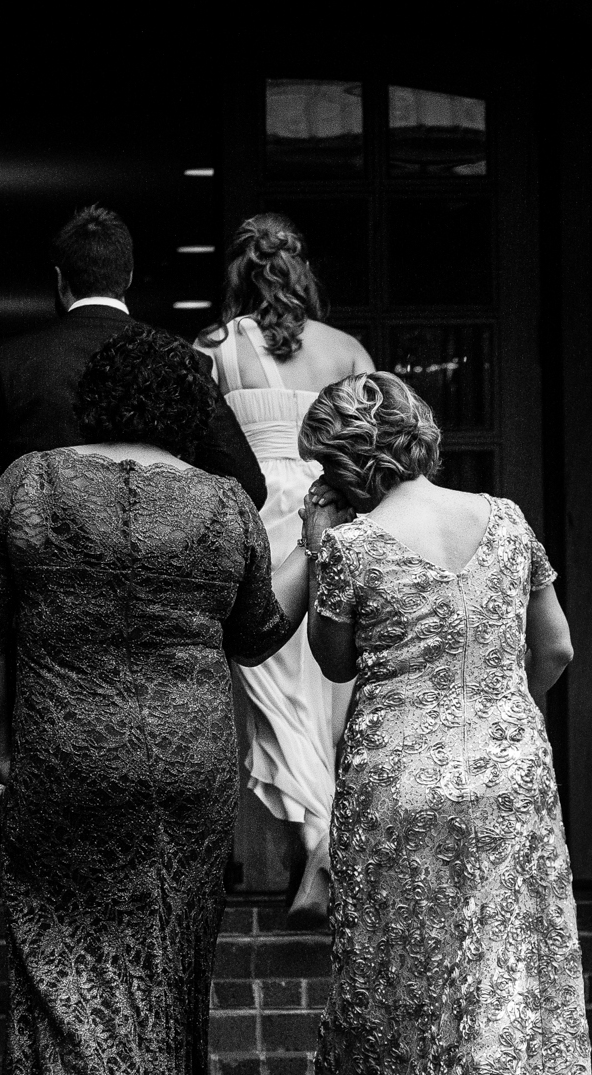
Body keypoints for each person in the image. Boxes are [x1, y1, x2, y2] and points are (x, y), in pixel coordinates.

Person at [0, 325, 306, 1075]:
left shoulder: (27, 484)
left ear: (100, 398)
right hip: (188, 764)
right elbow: (258, 634)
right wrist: (315, 542)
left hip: (65, 748)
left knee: (61, 949)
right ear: (187, 408)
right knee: (170, 957)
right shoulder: (223, 502)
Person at [292, 372, 592, 1075]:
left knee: (402, 977)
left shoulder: (353, 547)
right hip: (508, 770)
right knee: (504, 974)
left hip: (399, 772)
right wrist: (505, 712)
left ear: (346, 463)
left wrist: (319, 545)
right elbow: (558, 646)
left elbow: (332, 659)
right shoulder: (504, 519)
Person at [194, 213, 373, 928]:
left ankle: (319, 837)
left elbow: (194, 448)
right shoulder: (347, 349)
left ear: (236, 274)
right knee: (325, 695)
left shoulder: (210, 350)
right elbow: (372, 446)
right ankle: (325, 846)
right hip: (327, 522)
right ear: (300, 270)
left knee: (275, 696)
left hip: (254, 529)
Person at [0, 203, 266, 519]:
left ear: (61, 279)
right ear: (129, 276)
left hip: (41, 563)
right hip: (151, 562)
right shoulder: (183, 360)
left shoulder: (12, 361)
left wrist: (19, 518)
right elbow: (247, 485)